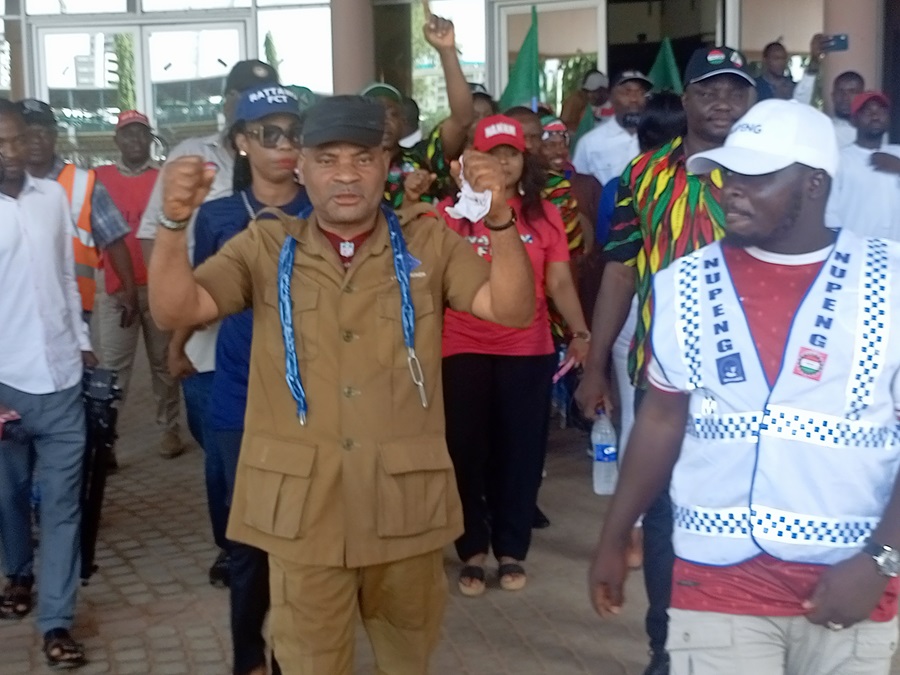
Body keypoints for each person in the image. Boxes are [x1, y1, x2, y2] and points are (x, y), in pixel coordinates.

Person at [147, 95, 535, 674]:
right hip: (305, 515)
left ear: (386, 163)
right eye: (327, 159)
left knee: (408, 659)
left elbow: (510, 308)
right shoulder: (266, 245)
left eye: (363, 157)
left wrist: (500, 221)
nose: (346, 174)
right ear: (300, 166)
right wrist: (173, 225)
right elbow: (177, 308)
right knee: (308, 664)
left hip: (402, 508)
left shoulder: (426, 241)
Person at [589, 98, 900, 675]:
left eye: (756, 176)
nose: (732, 189)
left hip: (849, 577)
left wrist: (882, 561)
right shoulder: (682, 281)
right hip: (716, 575)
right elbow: (662, 418)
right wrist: (615, 532)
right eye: (728, 174)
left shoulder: (891, 279)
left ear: (813, 184)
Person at [575, 46, 755, 675]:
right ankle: (666, 646)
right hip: (664, 374)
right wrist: (595, 364)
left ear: (751, 101)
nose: (723, 102)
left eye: (735, 91)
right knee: (663, 514)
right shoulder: (643, 177)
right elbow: (620, 269)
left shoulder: (768, 173)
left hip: (754, 382)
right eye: (709, 90)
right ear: (686, 101)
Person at [136, 58, 280, 588]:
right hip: (205, 340)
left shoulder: (294, 164)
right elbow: (159, 234)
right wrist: (170, 317)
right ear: (228, 105)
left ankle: (272, 546)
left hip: (278, 343)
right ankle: (233, 547)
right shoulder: (191, 157)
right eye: (244, 98)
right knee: (220, 457)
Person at [438, 115, 590, 597]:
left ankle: (510, 550)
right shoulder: (447, 215)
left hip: (528, 350)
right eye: (491, 153)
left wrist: (581, 331)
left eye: (511, 153)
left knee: (520, 454)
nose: (502, 162)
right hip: (461, 348)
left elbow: (560, 281)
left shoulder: (543, 216)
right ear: (470, 160)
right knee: (466, 453)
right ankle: (472, 550)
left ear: (524, 161)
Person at [193, 84, 308, 675]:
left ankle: (293, 653)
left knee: (303, 541)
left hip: (313, 400)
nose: (286, 146)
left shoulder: (329, 206)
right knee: (248, 541)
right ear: (241, 142)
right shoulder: (215, 216)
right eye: (271, 134)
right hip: (240, 396)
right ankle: (248, 656)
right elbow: (197, 298)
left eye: (295, 132)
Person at [0, 98, 95, 668]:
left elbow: (65, 273)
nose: (12, 154)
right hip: (5, 383)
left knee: (62, 506)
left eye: (17, 141)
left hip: (61, 378)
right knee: (9, 497)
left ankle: (56, 620)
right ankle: (19, 574)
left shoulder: (52, 197)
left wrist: (81, 343)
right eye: (0, 144)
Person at [93, 110, 184, 466]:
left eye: (141, 134)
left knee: (164, 363)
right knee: (113, 369)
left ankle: (170, 429)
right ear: (117, 140)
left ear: (150, 139)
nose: (134, 141)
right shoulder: (98, 179)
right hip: (116, 292)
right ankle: (106, 440)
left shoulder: (164, 179)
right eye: (127, 135)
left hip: (160, 288)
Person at [17, 99, 138, 328]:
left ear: (54, 135)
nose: (36, 139)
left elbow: (114, 240)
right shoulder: (7, 184)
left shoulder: (84, 183)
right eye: (27, 132)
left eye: (43, 131)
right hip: (17, 303)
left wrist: (129, 289)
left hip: (74, 307)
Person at [365, 9, 474, 208]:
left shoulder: (421, 158)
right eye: (374, 113)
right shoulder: (347, 168)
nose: (384, 120)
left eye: (392, 113)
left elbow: (462, 119)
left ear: (402, 122)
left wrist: (447, 51)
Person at [826, 91, 900, 240]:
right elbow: (829, 214)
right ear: (854, 120)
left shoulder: (897, 153)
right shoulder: (840, 160)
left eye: (881, 111)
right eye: (867, 111)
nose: (875, 115)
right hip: (858, 252)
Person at [572, 70, 652, 188]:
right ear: (611, 97)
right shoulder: (590, 143)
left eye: (640, 93)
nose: (634, 99)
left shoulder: (659, 138)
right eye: (627, 92)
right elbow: (579, 189)